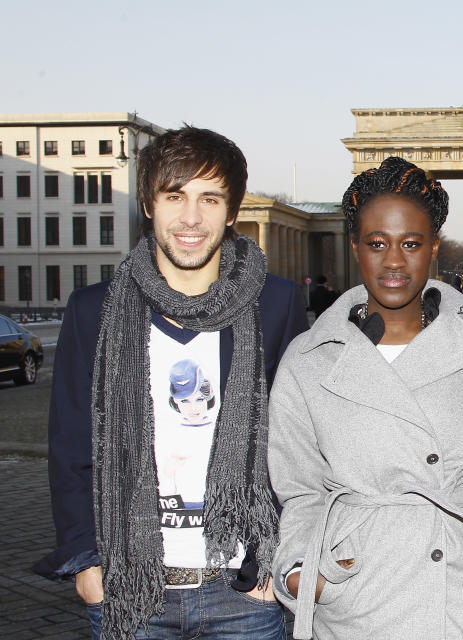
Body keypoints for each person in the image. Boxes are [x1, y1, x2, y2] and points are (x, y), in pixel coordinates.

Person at [33, 126, 308, 639]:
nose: (190, 218)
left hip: (243, 591)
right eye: (174, 196)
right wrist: (87, 561)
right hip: (130, 589)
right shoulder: (93, 312)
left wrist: (277, 556)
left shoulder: (276, 304)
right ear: (148, 204)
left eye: (210, 198)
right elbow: (70, 445)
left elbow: (298, 442)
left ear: (231, 211)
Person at [268, 156, 463, 640]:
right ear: (355, 248)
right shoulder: (309, 359)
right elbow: (299, 487)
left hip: (450, 587)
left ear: (434, 248)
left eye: (411, 244)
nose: (394, 261)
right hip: (352, 589)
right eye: (377, 244)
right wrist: (302, 571)